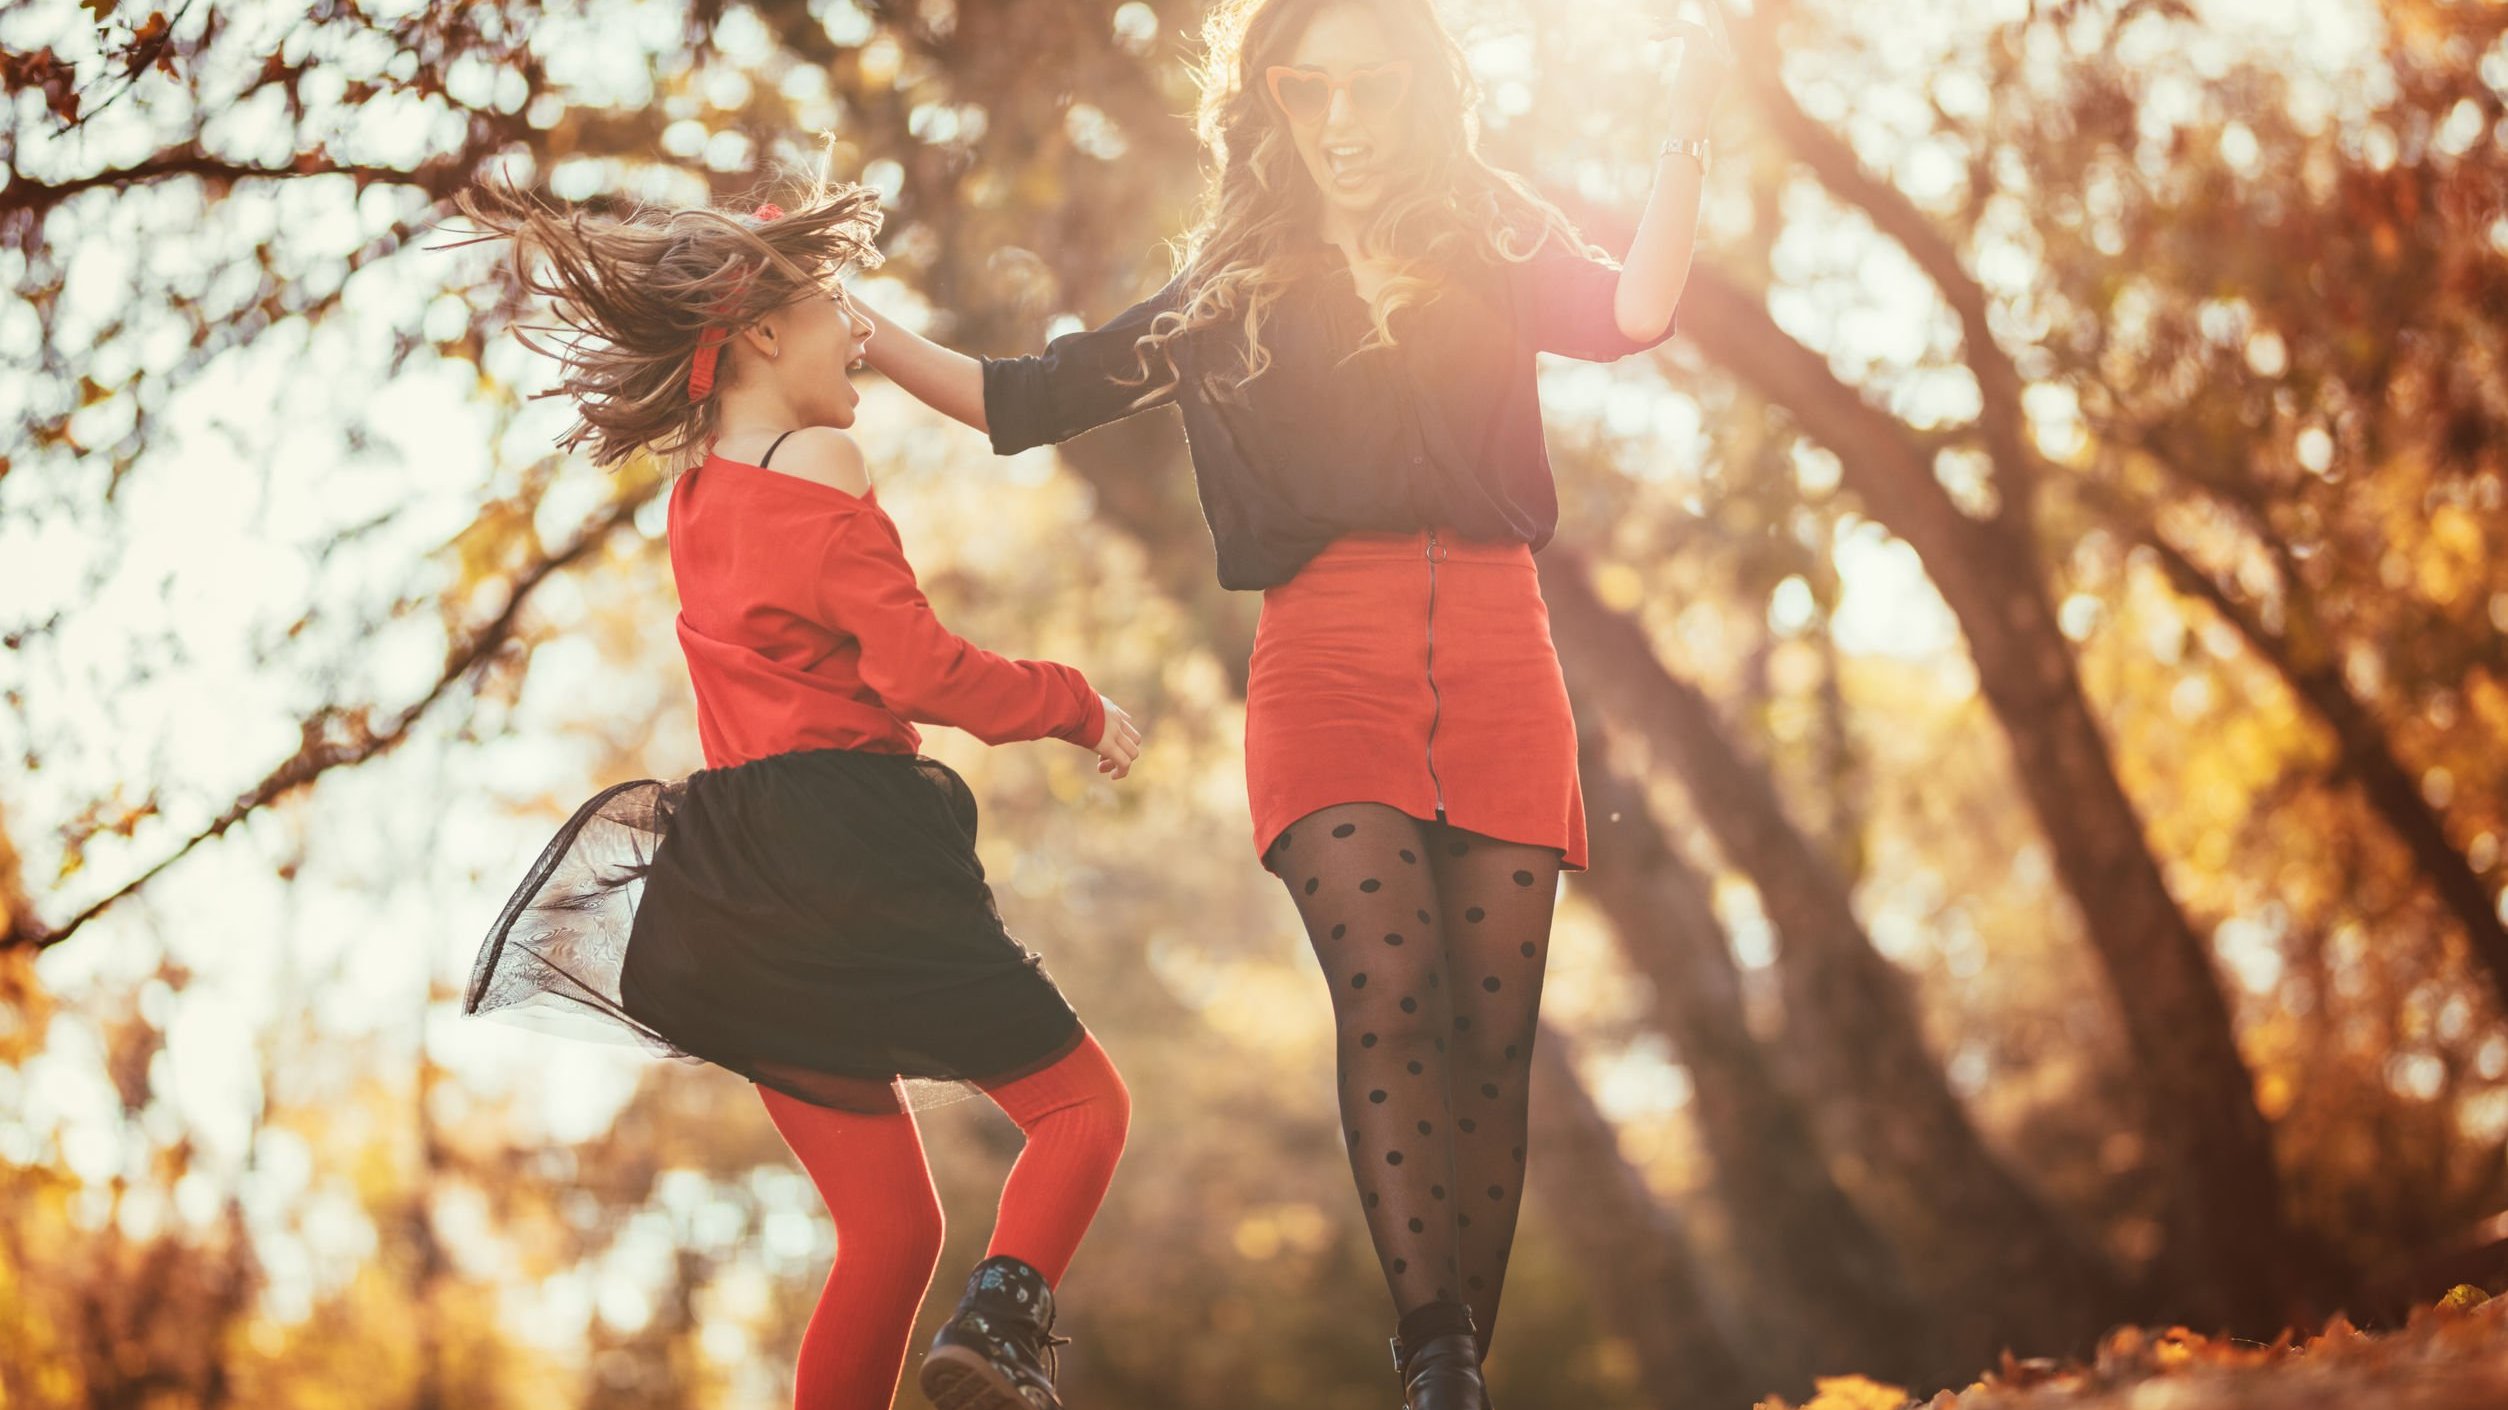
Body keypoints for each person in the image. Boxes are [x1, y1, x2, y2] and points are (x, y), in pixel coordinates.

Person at [860, 2, 1732, 1405]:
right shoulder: (1228, 291)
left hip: (1506, 652)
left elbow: (1635, 310)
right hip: (1324, 663)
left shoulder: (1492, 235)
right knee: (1393, 996)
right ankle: (1434, 1361)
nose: (1340, 120)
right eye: (1307, 90)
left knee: (1490, 1043)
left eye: (1370, 88)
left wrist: (1688, 118)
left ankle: (1459, 1375)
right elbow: (1021, 400)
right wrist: (859, 325)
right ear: (1268, 102)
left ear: (1417, 92)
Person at [452, 181, 1142, 1410]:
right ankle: (1000, 1329)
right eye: (839, 308)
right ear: (764, 334)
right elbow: (926, 675)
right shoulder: (822, 457)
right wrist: (1076, 701)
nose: (862, 335)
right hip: (851, 844)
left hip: (729, 891)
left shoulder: (697, 497)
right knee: (1085, 1107)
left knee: (887, 1235)